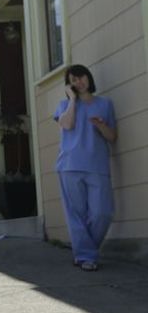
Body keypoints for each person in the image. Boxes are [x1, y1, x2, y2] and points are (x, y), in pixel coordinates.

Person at [53, 64, 117, 271]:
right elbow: (67, 125)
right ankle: (86, 256)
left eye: (81, 78)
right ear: (69, 85)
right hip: (69, 166)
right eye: (73, 80)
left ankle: (85, 251)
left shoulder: (105, 104)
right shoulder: (64, 105)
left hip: (97, 165)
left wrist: (100, 125)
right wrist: (72, 100)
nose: (78, 82)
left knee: (103, 213)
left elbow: (112, 137)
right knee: (76, 215)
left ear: (88, 78)